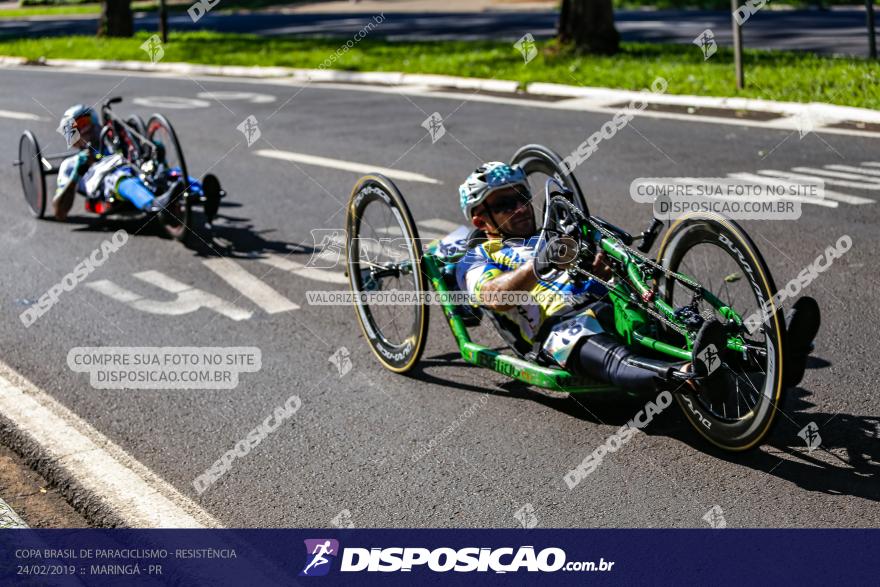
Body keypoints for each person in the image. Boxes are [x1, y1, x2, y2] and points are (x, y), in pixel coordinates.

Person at [455, 162, 820, 394]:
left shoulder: (553, 232)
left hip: (612, 303)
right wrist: (539, 265)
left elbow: (598, 269)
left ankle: (775, 360)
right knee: (604, 350)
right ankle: (691, 374)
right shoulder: (478, 256)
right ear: (479, 219)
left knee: (670, 323)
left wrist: (600, 267)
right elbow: (493, 296)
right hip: (560, 328)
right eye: (503, 204)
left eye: (521, 196)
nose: (519, 207)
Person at [52, 104, 180, 221]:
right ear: (71, 136)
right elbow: (60, 213)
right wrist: (76, 173)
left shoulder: (112, 142)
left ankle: (197, 190)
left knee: (168, 173)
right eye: (77, 127)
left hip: (133, 169)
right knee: (120, 178)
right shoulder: (70, 164)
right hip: (106, 184)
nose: (85, 129)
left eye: (85, 122)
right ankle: (152, 204)